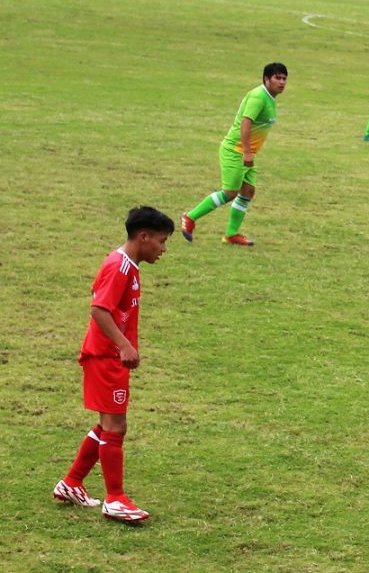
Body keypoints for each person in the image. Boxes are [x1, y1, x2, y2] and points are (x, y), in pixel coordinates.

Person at [53, 207, 174, 522]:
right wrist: (123, 345)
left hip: (108, 356)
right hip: (106, 357)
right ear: (143, 236)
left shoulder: (129, 265)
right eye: (161, 241)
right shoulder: (119, 266)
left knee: (107, 426)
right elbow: (99, 310)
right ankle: (115, 498)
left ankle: (71, 483)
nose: (163, 249)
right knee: (116, 427)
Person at [180, 62, 288, 247]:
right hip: (235, 151)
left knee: (248, 191)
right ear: (266, 79)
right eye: (277, 78)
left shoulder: (269, 97)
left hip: (247, 153)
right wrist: (246, 151)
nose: (282, 82)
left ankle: (231, 234)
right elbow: (246, 123)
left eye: (284, 78)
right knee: (230, 192)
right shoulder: (258, 97)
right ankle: (190, 217)